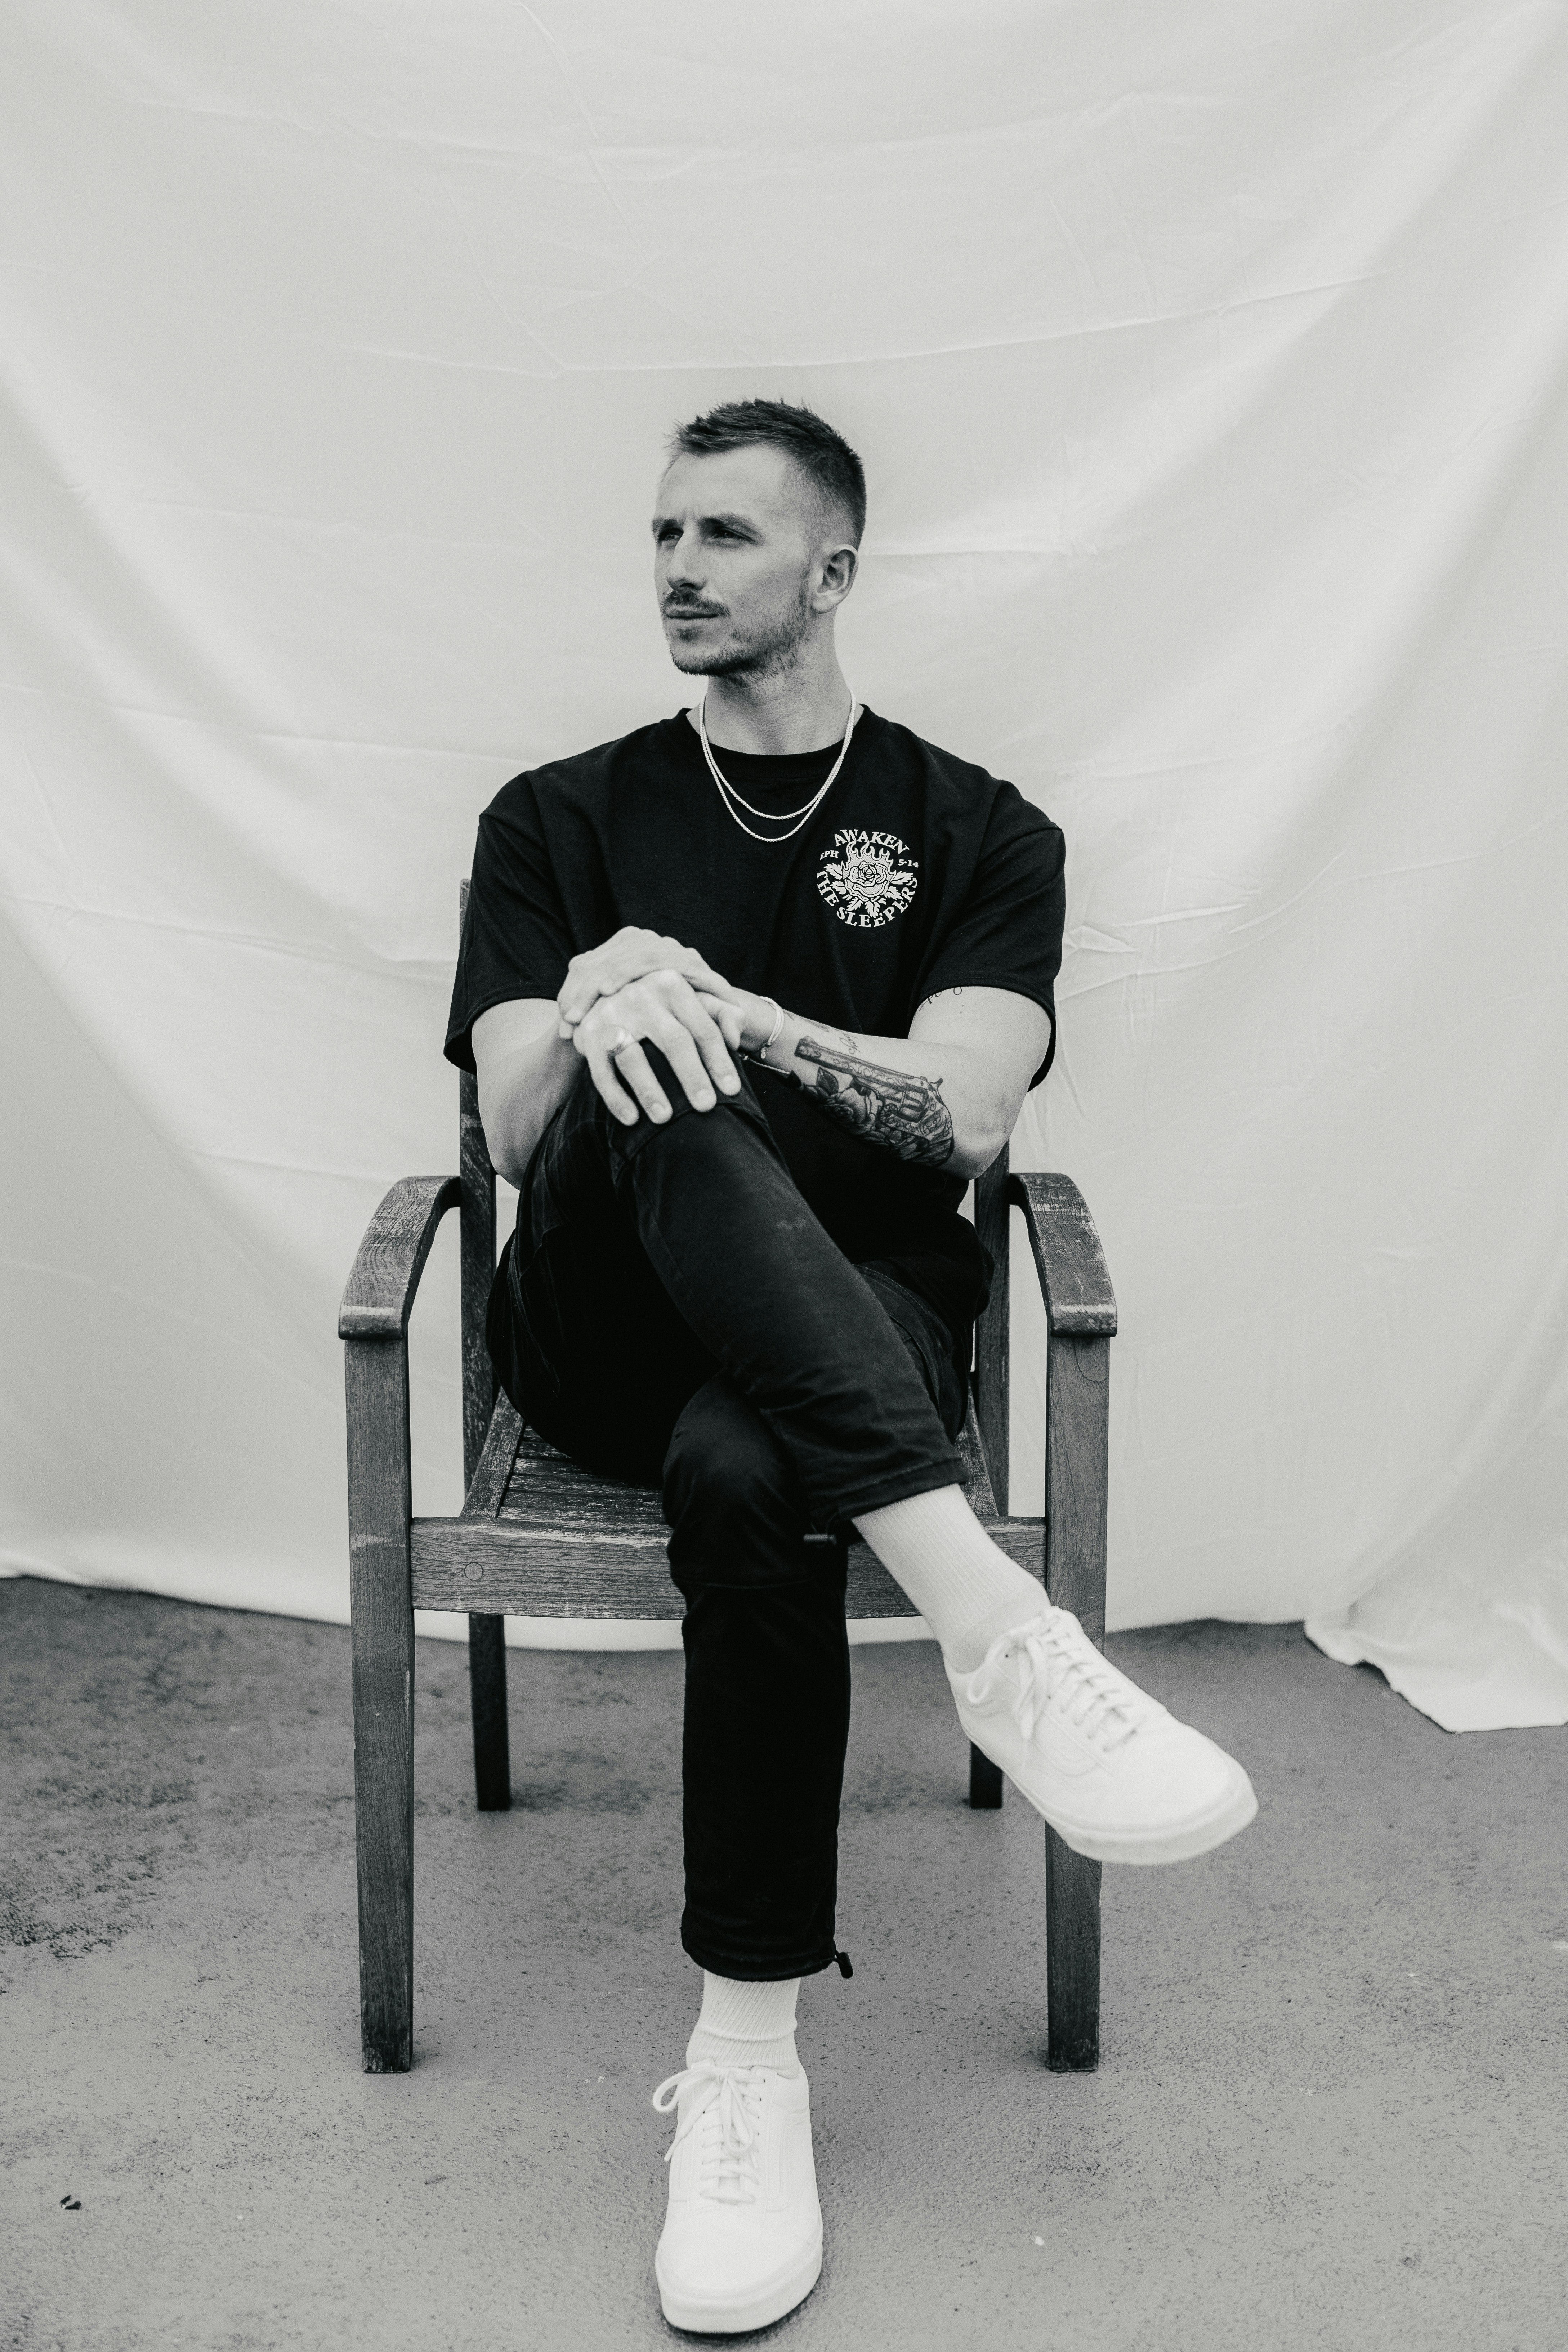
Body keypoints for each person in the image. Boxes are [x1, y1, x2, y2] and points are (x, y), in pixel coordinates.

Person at [445, 399, 1256, 2334]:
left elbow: (968, 1120)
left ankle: (745, 2059)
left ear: (831, 568)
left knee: (757, 1466)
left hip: (855, 1326)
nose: (675, 568)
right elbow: (505, 1119)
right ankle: (998, 1627)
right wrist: (611, 992)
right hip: (599, 1327)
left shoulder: (979, 830)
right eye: (658, 533)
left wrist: (750, 1013)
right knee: (640, 1054)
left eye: (723, 535)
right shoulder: (554, 816)